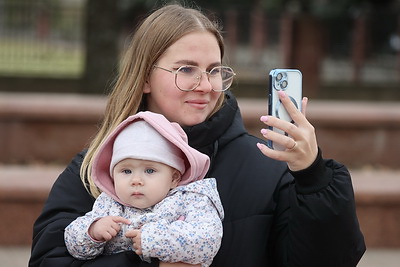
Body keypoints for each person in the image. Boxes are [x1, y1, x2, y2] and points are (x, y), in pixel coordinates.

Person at [29, 3, 366, 267]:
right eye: (186, 69)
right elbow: (48, 259)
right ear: (145, 78)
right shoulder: (100, 166)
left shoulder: (267, 166)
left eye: (215, 71)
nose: (205, 86)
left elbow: (328, 261)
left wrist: (312, 175)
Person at [64, 111, 224, 267]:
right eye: (126, 171)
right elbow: (73, 244)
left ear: (174, 178)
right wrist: (92, 231)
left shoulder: (190, 199)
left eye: (149, 171)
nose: (136, 180)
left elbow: (208, 239)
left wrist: (153, 240)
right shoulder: (109, 204)